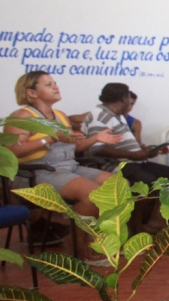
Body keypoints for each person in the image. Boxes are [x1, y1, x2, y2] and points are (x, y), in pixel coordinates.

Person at [4, 71, 122, 261]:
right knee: (91, 195)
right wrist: (49, 138)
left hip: (68, 167)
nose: (56, 87)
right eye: (48, 84)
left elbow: (74, 147)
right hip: (36, 172)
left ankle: (87, 240)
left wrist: (96, 138)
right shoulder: (22, 116)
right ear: (32, 93)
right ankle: (79, 247)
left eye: (55, 83)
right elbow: (12, 151)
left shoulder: (60, 115)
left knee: (116, 187)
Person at [82, 83, 169, 232]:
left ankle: (154, 221)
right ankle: (133, 225)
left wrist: (143, 150)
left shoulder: (117, 116)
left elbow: (121, 144)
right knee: (148, 182)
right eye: (129, 98)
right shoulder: (100, 115)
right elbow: (96, 149)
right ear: (123, 99)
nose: (130, 103)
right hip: (116, 165)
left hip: (134, 161)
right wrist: (134, 154)